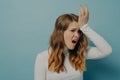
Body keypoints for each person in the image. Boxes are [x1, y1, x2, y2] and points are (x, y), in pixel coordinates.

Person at [34, 6, 112, 80]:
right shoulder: (42, 58)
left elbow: (107, 50)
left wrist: (85, 27)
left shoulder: (81, 52)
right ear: (60, 33)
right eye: (72, 30)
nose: (77, 35)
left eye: (79, 31)